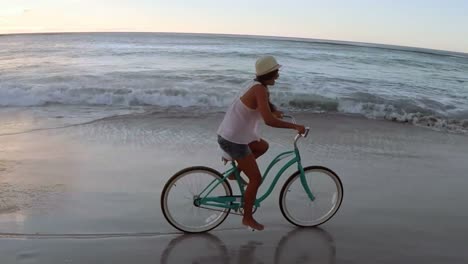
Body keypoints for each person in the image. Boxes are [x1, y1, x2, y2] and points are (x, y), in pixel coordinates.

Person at [216, 56, 306, 231]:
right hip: (234, 140)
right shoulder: (260, 90)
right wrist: (295, 126)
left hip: (233, 135)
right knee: (256, 179)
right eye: (276, 72)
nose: (278, 75)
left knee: (262, 146)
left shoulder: (257, 86)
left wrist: (274, 110)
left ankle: (236, 173)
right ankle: (247, 218)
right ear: (270, 74)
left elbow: (264, 105)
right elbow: (269, 121)